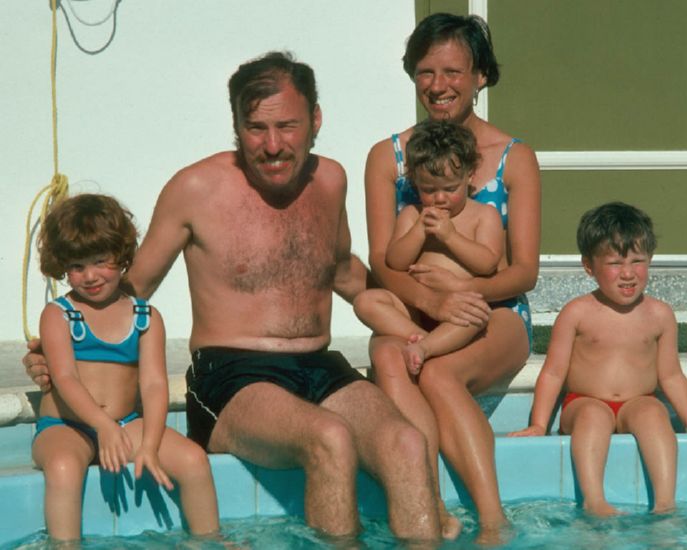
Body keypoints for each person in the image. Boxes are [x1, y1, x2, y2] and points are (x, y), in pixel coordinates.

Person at [26, 52, 441, 542]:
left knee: (408, 443)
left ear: (316, 120)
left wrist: (428, 313)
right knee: (329, 439)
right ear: (236, 125)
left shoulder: (330, 179)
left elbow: (344, 272)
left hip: (319, 366)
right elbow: (126, 287)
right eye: (255, 128)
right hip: (230, 375)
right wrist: (59, 349)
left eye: (287, 126)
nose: (272, 145)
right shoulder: (196, 188)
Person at [364, 12, 540, 542]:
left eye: (453, 72)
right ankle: (431, 508)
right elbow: (380, 262)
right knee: (383, 354)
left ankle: (492, 521)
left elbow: (522, 272)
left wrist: (459, 297)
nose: (437, 86)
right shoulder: (389, 158)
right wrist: (430, 302)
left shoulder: (513, 158)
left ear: (481, 76)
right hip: (415, 311)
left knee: (438, 375)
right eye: (424, 72)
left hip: (495, 313)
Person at [509, 202, 687, 516]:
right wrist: (538, 424)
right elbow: (554, 373)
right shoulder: (577, 312)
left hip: (637, 401)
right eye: (615, 263)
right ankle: (594, 500)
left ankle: (665, 504)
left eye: (638, 261)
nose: (628, 273)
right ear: (589, 266)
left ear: (650, 259)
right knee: (593, 416)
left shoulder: (659, 315)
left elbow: (670, 376)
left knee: (655, 412)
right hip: (583, 401)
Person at [31, 194, 220, 542]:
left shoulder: (144, 317)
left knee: (194, 461)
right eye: (77, 266)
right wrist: (102, 425)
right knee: (63, 469)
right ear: (62, 266)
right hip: (65, 424)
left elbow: (153, 385)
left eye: (100, 260)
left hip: (126, 424)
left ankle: (210, 541)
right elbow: (65, 378)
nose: (89, 276)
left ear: (121, 255)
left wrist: (148, 444)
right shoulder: (58, 315)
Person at [355, 119, 503, 375]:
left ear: (469, 174)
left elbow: (488, 263)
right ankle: (423, 339)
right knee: (365, 301)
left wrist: (450, 237)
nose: (440, 197)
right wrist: (418, 232)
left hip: (459, 306)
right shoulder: (413, 215)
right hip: (414, 308)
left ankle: (425, 349)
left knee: (477, 316)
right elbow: (395, 262)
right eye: (429, 190)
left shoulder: (483, 215)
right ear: (414, 182)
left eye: (450, 188)